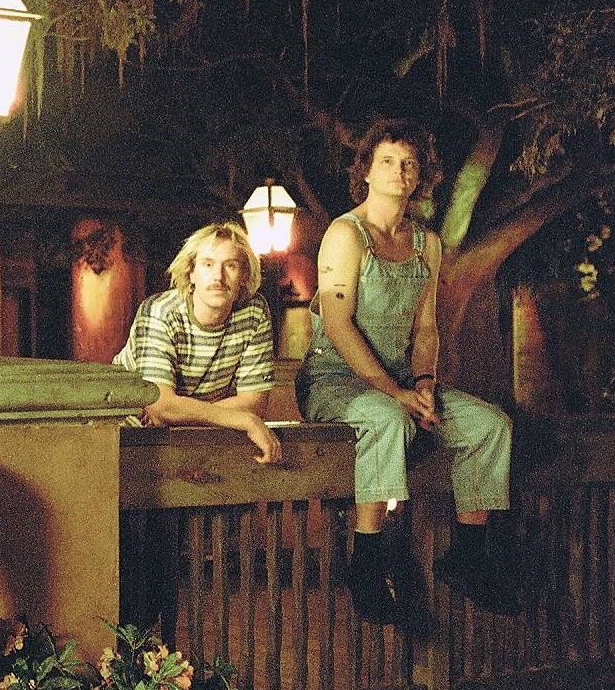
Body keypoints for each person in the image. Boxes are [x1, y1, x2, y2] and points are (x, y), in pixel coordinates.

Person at [297, 118, 516, 622]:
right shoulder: (346, 234)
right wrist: (392, 393)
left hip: (400, 381)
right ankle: (367, 564)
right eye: (387, 161)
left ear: (421, 176)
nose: (399, 171)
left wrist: (423, 385)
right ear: (366, 172)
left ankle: (468, 555)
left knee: (490, 426)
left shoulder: (427, 244)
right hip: (334, 379)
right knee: (387, 419)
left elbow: (426, 329)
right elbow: (338, 323)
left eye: (409, 163)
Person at [114, 222, 282, 465]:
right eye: (208, 264)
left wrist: (177, 412)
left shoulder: (254, 312)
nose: (218, 277)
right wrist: (242, 420)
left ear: (244, 275)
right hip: (126, 435)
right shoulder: (161, 311)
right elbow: (160, 404)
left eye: (231, 265)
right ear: (191, 272)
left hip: (194, 438)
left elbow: (254, 403)